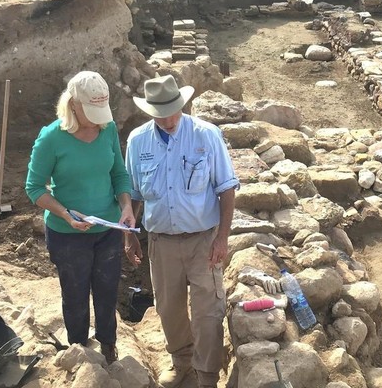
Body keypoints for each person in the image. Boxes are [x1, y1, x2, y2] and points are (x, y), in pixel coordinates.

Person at [123, 75, 239, 388]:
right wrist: (129, 234)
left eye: (173, 112)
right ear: (150, 112)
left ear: (182, 105)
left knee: (207, 311)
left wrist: (222, 238)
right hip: (161, 242)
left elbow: (227, 188)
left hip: (203, 240)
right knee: (168, 308)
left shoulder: (206, 134)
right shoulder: (137, 141)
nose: (169, 120)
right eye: (161, 115)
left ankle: (207, 375)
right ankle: (181, 362)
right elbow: (133, 193)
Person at [25, 71, 134, 365]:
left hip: (107, 229)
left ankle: (108, 346)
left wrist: (126, 206)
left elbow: (119, 174)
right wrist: (65, 214)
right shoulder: (51, 138)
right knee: (75, 295)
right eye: (91, 113)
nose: (98, 121)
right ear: (73, 104)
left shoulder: (108, 130)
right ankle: (79, 349)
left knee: (107, 291)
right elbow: (34, 188)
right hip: (67, 234)